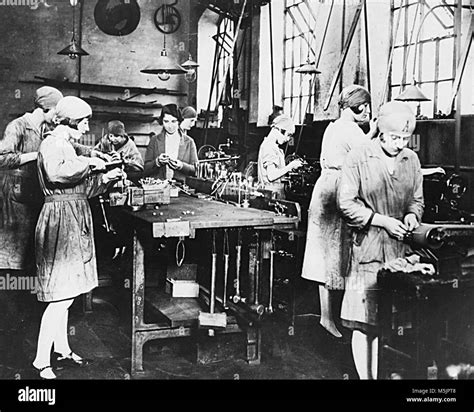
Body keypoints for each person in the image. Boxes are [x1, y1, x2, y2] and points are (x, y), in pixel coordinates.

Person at [32, 96, 126, 379]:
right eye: (84, 122)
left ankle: (61, 349)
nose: (86, 128)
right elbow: (57, 174)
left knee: (68, 293)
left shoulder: (66, 145)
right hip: (59, 221)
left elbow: (80, 189)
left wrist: (106, 178)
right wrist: (92, 164)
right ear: (71, 121)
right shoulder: (51, 144)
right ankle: (40, 361)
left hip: (73, 215)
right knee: (59, 297)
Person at [337, 100, 423, 379]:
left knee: (392, 321)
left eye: (405, 138)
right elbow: (346, 203)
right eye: (394, 137)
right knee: (364, 323)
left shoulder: (411, 160)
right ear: (380, 132)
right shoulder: (358, 157)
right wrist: (382, 221)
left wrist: (412, 215)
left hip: (400, 252)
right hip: (368, 249)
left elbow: (417, 200)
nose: (399, 143)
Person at [301, 85, 377, 338]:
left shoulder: (332, 126)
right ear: (357, 106)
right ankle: (332, 318)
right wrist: (375, 128)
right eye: (364, 107)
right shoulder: (351, 129)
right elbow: (366, 153)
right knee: (336, 255)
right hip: (337, 190)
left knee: (324, 257)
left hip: (324, 187)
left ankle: (327, 317)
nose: (367, 112)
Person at [0, 86, 63, 271]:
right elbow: (2, 158)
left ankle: (23, 295)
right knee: (13, 253)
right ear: (45, 108)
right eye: (56, 112)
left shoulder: (45, 129)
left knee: (29, 253)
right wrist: (37, 155)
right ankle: (8, 294)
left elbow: (71, 144)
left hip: (32, 193)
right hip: (15, 197)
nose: (57, 118)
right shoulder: (18, 125)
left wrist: (96, 153)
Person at [144, 103, 198, 182]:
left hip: (181, 189)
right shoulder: (154, 140)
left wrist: (181, 166)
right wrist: (157, 162)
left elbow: (196, 170)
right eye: (166, 121)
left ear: (179, 121)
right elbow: (146, 169)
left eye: (173, 121)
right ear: (162, 121)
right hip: (159, 188)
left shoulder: (189, 142)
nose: (170, 126)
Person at [257, 113, 303, 199]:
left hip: (274, 193)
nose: (288, 139)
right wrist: (291, 166)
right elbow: (271, 176)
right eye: (288, 135)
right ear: (280, 130)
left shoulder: (273, 147)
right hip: (272, 195)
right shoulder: (269, 147)